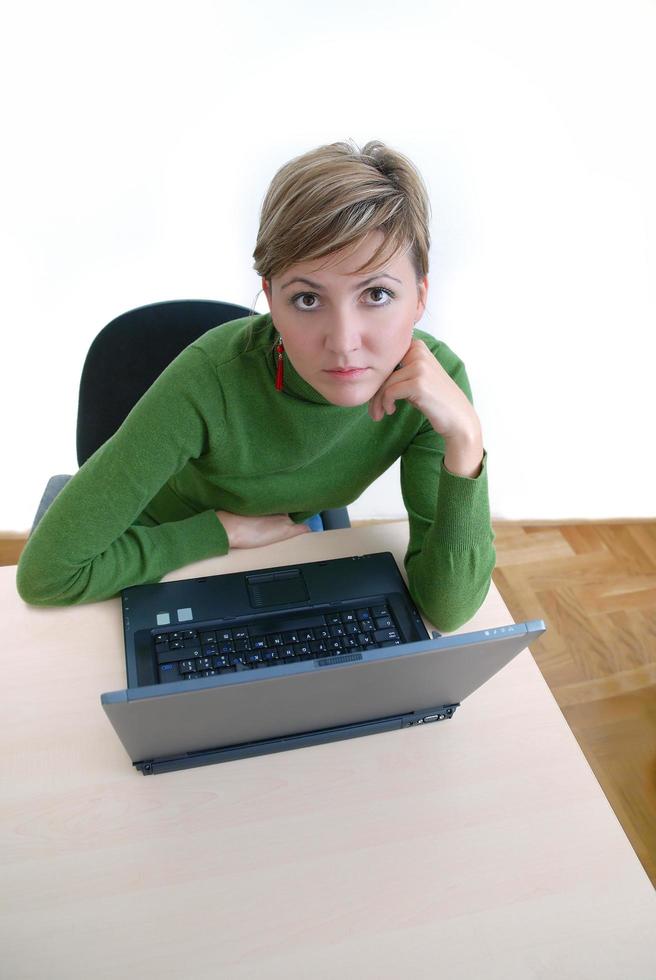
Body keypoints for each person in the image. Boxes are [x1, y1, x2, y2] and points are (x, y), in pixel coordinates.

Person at [16, 139, 495, 632]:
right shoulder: (209, 380)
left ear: (419, 297)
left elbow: (447, 609)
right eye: (308, 299)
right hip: (154, 544)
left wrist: (466, 442)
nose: (344, 342)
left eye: (376, 294)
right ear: (269, 297)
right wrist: (216, 532)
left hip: (279, 539)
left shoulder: (431, 385)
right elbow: (48, 576)